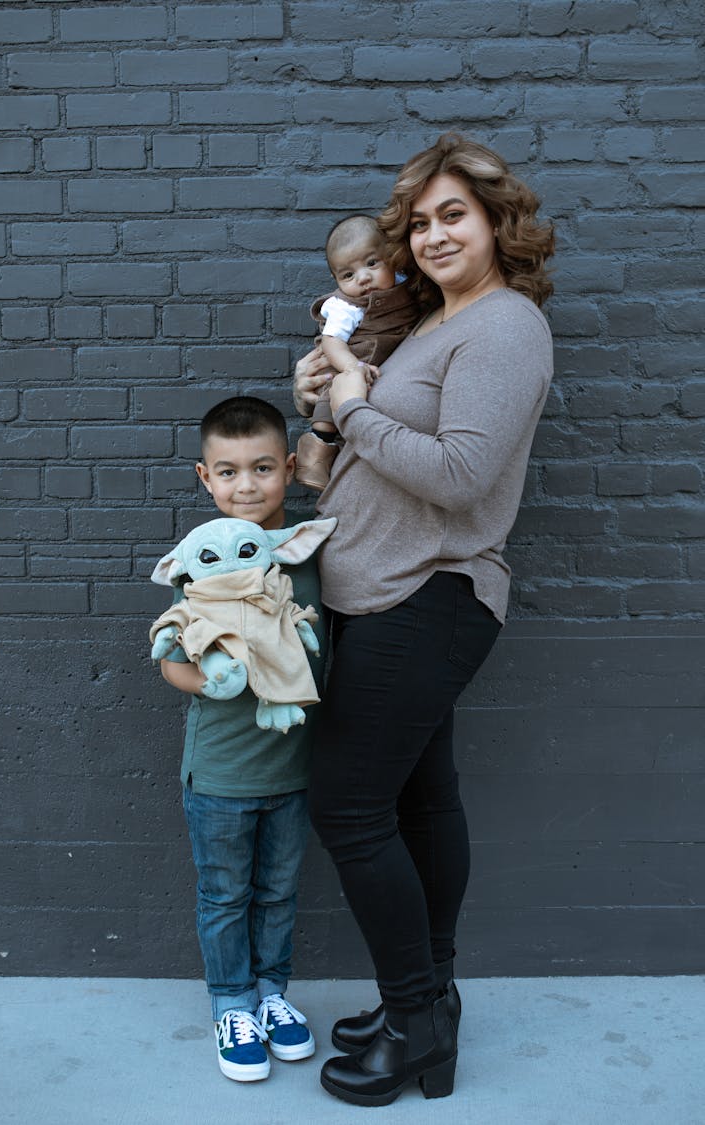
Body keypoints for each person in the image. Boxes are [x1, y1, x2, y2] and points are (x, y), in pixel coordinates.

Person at [292, 132, 555, 1107]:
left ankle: (414, 1023)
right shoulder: (436, 324)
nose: (436, 233)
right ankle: (430, 1003)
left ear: (497, 223)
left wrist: (357, 409)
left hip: (430, 595)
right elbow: (377, 438)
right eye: (422, 220)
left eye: (457, 214)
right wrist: (327, 409)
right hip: (385, 590)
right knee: (419, 801)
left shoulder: (504, 328)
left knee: (348, 808)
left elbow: (460, 474)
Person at [158, 397, 326, 1084]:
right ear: (205, 477)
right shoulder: (198, 559)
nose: (246, 485)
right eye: (228, 472)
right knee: (226, 894)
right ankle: (232, 1003)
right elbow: (170, 658)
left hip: (293, 767)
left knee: (279, 891)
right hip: (222, 773)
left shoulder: (307, 548)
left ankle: (272, 994)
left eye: (262, 467)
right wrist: (213, 679)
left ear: (289, 468)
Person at [294, 214, 420, 492]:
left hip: (386, 351)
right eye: (348, 275)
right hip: (352, 354)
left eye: (372, 263)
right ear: (336, 279)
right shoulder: (345, 306)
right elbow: (332, 342)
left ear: (392, 258)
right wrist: (351, 367)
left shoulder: (407, 285)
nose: (363, 278)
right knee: (333, 387)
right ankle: (315, 449)